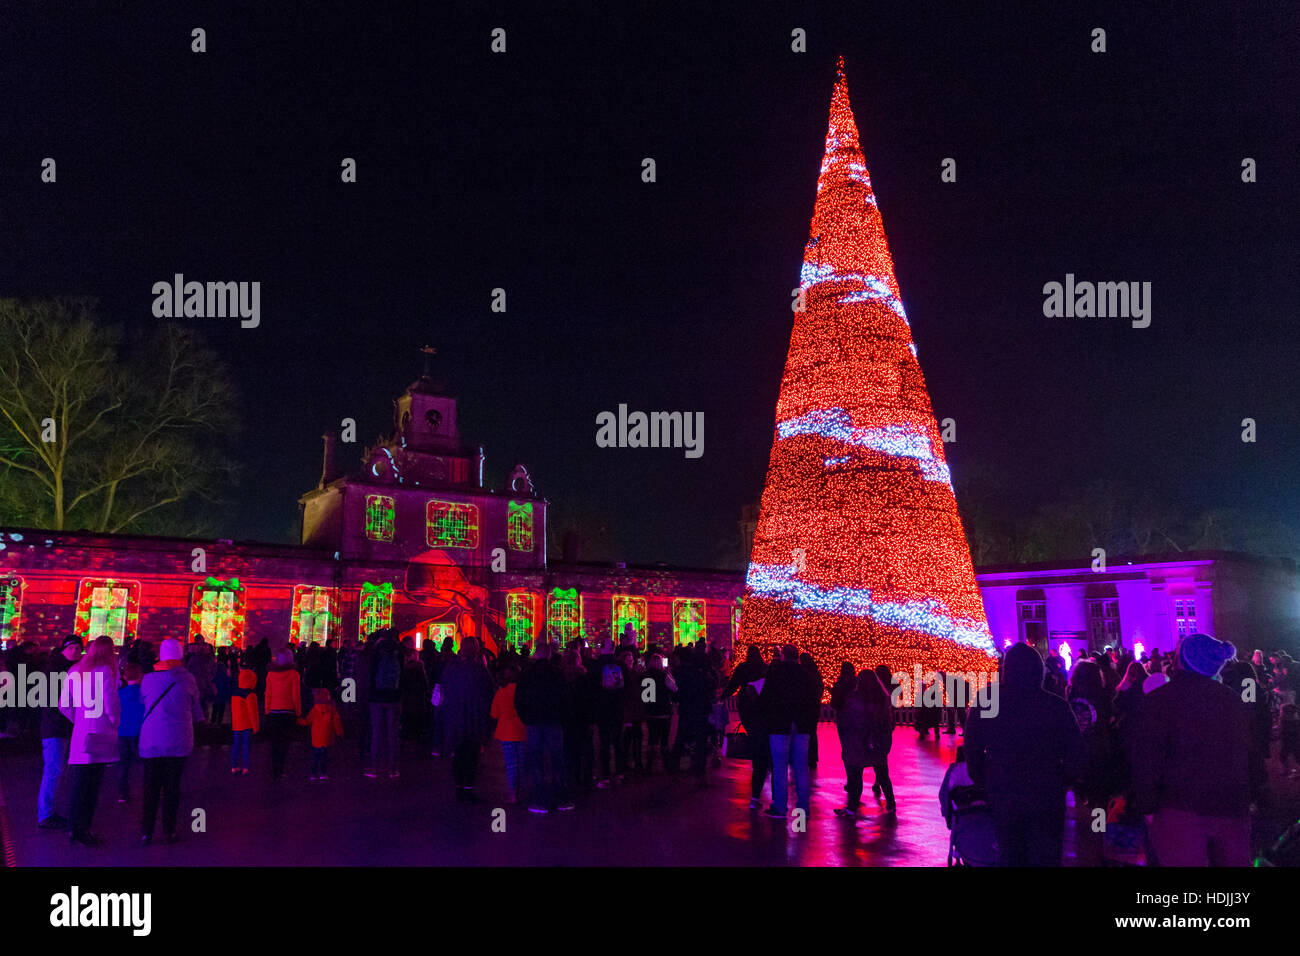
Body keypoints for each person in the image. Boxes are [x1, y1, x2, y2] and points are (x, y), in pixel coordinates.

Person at [1133, 633, 1251, 866]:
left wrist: (1146, 804)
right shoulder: (1232, 700)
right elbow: (1244, 753)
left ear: (1182, 660)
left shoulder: (1159, 700)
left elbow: (1148, 759)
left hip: (1178, 806)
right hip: (1229, 806)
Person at [963, 642, 1083, 866]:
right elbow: (1076, 751)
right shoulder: (1054, 705)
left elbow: (972, 747)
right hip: (1046, 793)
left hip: (1004, 789)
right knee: (1045, 855)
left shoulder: (988, 700)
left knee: (1010, 853)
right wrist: (1062, 780)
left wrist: (985, 779)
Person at [139, 638, 204, 845]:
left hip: (151, 739)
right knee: (172, 788)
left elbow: (144, 703)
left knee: (150, 787)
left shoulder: (148, 679)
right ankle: (169, 830)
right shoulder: (188, 679)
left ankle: (146, 831)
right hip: (178, 739)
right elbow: (195, 707)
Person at [61, 636, 121, 846]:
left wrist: (78, 719)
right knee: (92, 784)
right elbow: (110, 703)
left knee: (79, 782)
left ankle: (73, 827)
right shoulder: (105, 671)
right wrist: (114, 723)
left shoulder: (75, 671)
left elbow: (63, 703)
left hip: (81, 732)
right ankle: (84, 828)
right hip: (100, 732)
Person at [759, 643, 821, 818]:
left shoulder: (775, 673)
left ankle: (780, 806)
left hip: (779, 725)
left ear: (783, 655)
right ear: (798, 656)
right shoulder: (806, 676)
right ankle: (803, 808)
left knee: (779, 767)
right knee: (801, 767)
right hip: (802, 727)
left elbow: (766, 698)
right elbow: (813, 701)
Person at [514, 643, 572, 812]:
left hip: (533, 722)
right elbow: (566, 700)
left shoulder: (527, 674)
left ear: (535, 654)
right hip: (554, 722)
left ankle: (539, 800)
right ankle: (561, 798)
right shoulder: (557, 673)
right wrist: (562, 717)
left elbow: (519, 700)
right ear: (549, 655)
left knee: (536, 761)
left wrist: (526, 718)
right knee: (557, 761)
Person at [439, 635, 496, 801]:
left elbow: (444, 690)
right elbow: (489, 694)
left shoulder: (451, 668)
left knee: (458, 753)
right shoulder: (480, 671)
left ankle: (459, 786)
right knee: (471, 755)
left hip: (455, 718)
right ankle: (468, 788)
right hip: (474, 719)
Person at [835, 666, 896, 816]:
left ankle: (852, 807)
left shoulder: (854, 699)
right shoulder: (883, 699)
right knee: (883, 774)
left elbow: (848, 720)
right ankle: (891, 803)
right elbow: (888, 722)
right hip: (877, 743)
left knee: (856, 776)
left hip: (858, 742)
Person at [37, 636, 83, 830]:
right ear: (64, 649)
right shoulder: (61, 669)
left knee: (56, 769)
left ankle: (47, 812)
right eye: (71, 647)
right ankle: (45, 814)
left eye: (77, 648)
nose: (74, 651)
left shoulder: (58, 666)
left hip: (57, 726)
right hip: (57, 726)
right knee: (54, 769)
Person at [367, 629, 403, 778]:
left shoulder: (375, 652)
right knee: (392, 733)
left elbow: (370, 673)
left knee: (376, 733)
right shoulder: (399, 652)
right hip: (394, 697)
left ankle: (374, 768)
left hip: (376, 697)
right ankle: (393, 769)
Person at [490, 662, 528, 804]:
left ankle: (513, 794)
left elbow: (494, 714)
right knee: (522, 763)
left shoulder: (501, 692)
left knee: (511, 764)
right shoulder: (524, 691)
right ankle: (522, 790)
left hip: (506, 732)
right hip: (522, 730)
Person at [264, 647, 302, 781]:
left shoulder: (270, 674)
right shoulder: (294, 675)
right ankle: (281, 770)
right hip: (288, 711)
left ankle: (275, 770)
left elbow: (268, 694)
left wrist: (267, 710)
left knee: (274, 742)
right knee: (284, 742)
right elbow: (295, 695)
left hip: (274, 711)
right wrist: (298, 712)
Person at [561, 647, 595, 792]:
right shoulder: (584, 677)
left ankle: (571, 779)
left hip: (567, 720)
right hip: (584, 719)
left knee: (570, 751)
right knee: (586, 751)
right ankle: (586, 780)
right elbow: (590, 699)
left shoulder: (561, 677)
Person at [299, 687, 344, 780]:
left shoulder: (315, 709)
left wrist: (297, 720)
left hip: (316, 739)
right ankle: (323, 773)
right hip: (327, 738)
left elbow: (307, 721)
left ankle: (313, 774)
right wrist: (340, 733)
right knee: (324, 757)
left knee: (315, 756)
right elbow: (337, 722)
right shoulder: (332, 709)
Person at [117, 661, 145, 802]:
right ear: (140, 676)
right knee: (143, 763)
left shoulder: (119, 693)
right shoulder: (144, 693)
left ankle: (122, 793)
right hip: (139, 731)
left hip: (122, 732)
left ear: (124, 677)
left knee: (123, 765)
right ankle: (147, 790)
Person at [229, 666, 259, 774]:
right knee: (246, 746)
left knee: (236, 745)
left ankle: (234, 766)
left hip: (237, 725)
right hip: (247, 725)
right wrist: (256, 727)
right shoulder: (250, 694)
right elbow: (253, 712)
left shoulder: (235, 694)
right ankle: (246, 767)